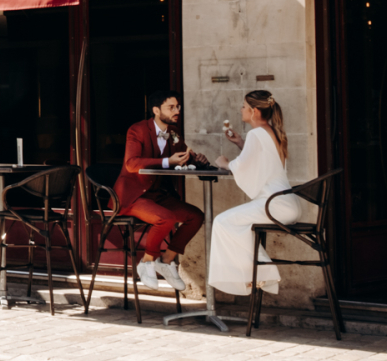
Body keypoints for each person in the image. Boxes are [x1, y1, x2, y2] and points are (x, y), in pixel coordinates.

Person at [112, 90, 208, 293]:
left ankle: (166, 261)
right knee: (166, 218)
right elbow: (131, 163)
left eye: (178, 107)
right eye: (171, 107)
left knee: (195, 216)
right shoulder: (137, 130)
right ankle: (146, 263)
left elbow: (181, 155)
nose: (177, 111)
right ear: (156, 110)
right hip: (134, 196)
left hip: (159, 194)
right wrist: (167, 161)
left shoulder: (173, 133)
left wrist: (195, 160)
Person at [210, 90, 295, 296]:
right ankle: (260, 274)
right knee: (233, 224)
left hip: (273, 204)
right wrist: (240, 143)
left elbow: (240, 166)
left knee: (222, 222)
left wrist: (225, 163)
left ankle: (262, 274)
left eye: (244, 107)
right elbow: (260, 161)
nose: (241, 110)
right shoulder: (272, 131)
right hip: (285, 203)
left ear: (255, 111)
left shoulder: (256, 134)